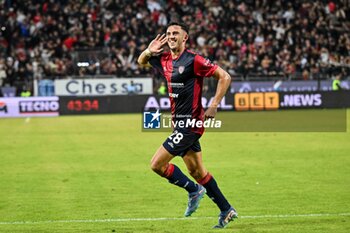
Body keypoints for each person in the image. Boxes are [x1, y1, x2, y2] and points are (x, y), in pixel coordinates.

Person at [137, 22, 238, 229]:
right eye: (168, 33)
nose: (171, 36)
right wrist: (149, 50)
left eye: (176, 33)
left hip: (190, 125)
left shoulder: (194, 60)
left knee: (157, 164)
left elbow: (225, 77)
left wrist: (214, 105)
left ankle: (194, 190)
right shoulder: (164, 59)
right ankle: (226, 209)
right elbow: (141, 61)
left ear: (185, 38)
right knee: (198, 172)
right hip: (179, 125)